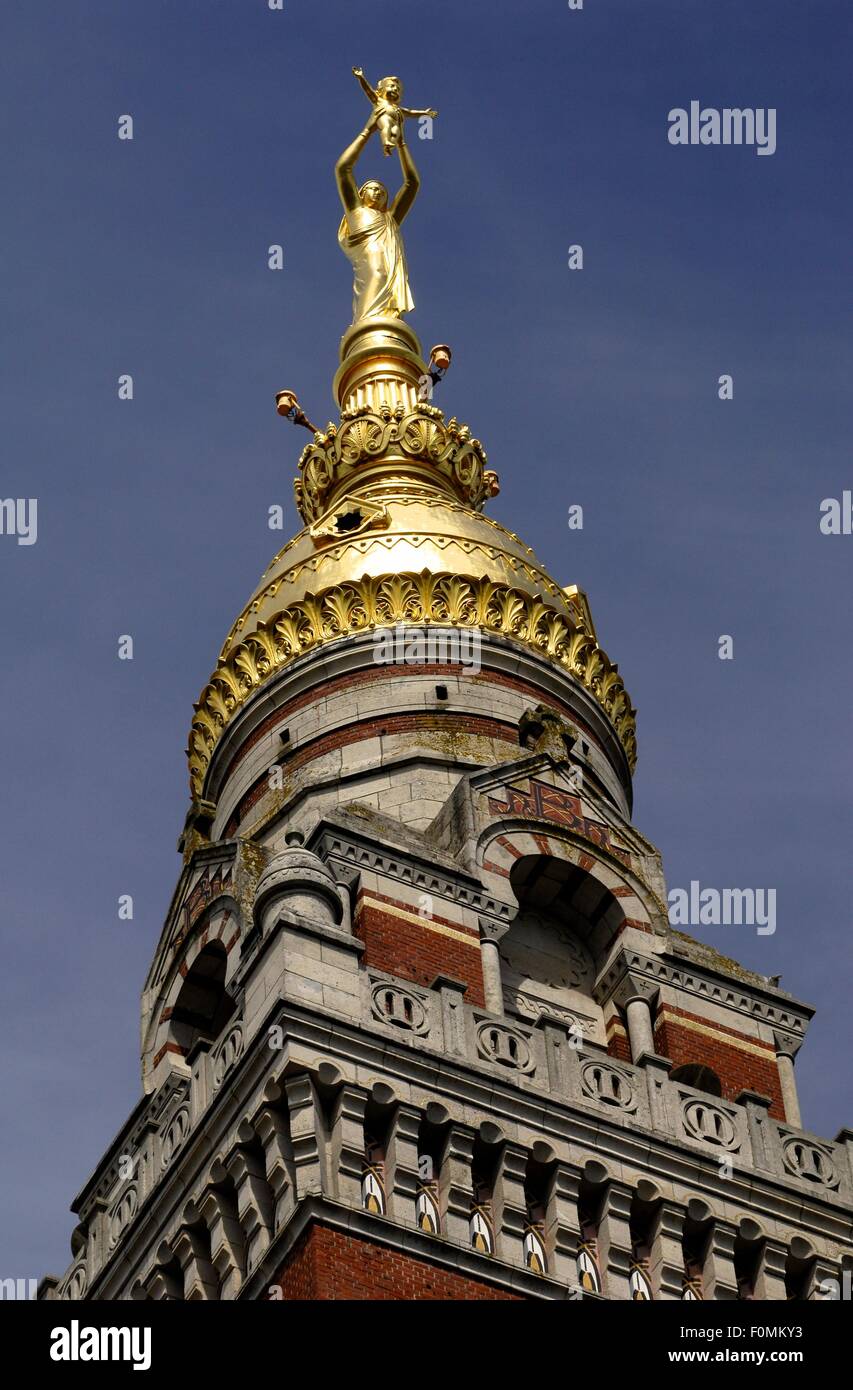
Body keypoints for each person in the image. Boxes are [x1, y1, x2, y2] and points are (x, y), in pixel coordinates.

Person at [352, 68, 438, 157]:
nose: (395, 89)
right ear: (381, 90)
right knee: (387, 126)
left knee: (396, 132)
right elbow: (368, 90)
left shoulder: (397, 108)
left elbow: (410, 112)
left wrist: (424, 113)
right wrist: (361, 77)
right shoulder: (379, 100)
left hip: (394, 122)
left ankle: (388, 147)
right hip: (383, 117)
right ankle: (386, 141)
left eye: (397, 89)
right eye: (392, 86)